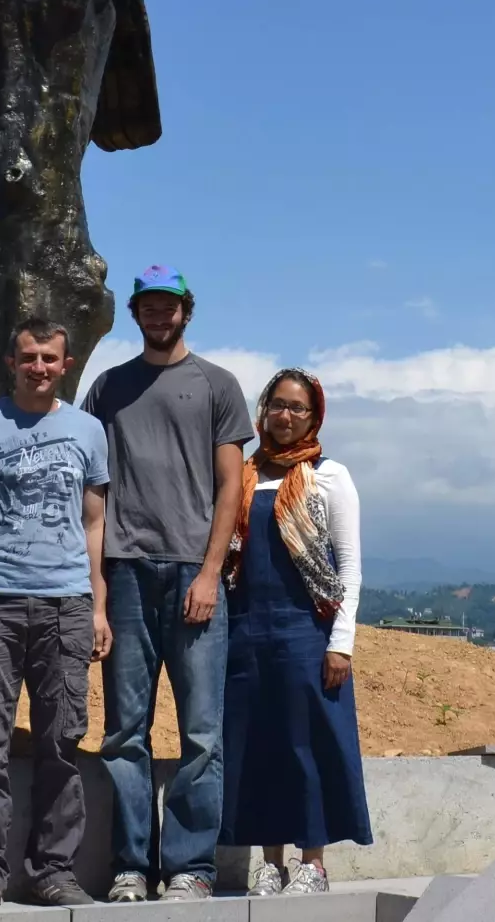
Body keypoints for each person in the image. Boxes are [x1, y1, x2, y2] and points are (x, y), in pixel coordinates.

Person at [81, 265, 252, 905]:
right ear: (135, 312)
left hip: (193, 574)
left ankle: (191, 867)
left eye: (169, 306)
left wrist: (210, 572)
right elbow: (92, 488)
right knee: (126, 731)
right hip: (124, 572)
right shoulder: (108, 388)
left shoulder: (217, 384)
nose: (159, 315)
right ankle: (131, 865)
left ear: (187, 310)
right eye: (148, 306)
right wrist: (96, 585)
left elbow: (231, 486)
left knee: (201, 732)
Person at [0, 318, 110, 911]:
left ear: (66, 364)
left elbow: (94, 523)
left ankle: (53, 870)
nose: (39, 366)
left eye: (50, 358)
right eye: (29, 357)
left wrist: (98, 605)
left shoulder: (88, 430)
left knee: (61, 741)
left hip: (66, 603)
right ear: (11, 362)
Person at [220, 368, 371, 896]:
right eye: (277, 406)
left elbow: (348, 570)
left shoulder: (330, 476)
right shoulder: (241, 475)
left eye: (297, 408)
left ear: (314, 416)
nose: (285, 416)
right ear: (263, 411)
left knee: (307, 746)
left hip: (306, 631)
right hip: (245, 631)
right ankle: (269, 860)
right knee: (257, 745)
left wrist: (341, 643)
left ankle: (313, 861)